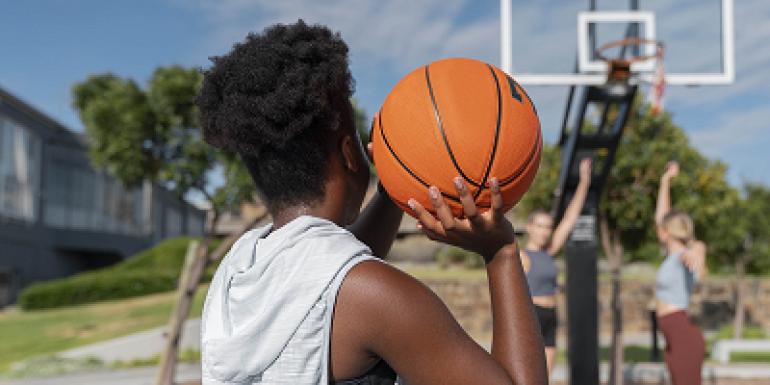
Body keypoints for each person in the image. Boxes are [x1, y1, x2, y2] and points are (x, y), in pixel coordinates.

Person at [197, 21, 547, 385]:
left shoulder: (239, 269)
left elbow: (335, 261)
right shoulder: (381, 298)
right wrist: (501, 253)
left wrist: (398, 184)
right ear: (350, 153)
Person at [519, 157, 592, 374]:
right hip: (532, 316)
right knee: (529, 375)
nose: (544, 231)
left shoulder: (549, 251)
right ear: (530, 227)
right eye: (540, 226)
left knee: (546, 377)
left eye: (548, 227)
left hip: (551, 315)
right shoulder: (522, 256)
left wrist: (584, 182)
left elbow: (569, 219)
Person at [654, 161, 707, 385]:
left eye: (663, 228)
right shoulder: (670, 255)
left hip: (682, 330)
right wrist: (665, 182)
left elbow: (695, 251)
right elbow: (661, 217)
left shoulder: (687, 253)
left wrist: (693, 253)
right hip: (671, 332)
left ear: (669, 232)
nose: (658, 229)